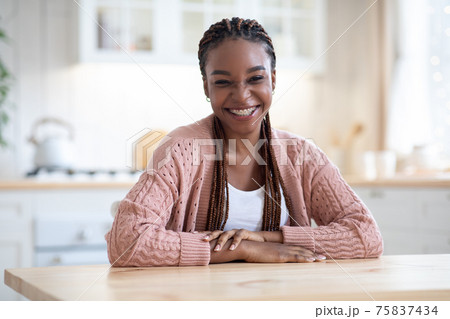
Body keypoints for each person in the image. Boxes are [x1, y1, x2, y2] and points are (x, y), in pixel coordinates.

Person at [105, 17, 383, 267]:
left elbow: (366, 236)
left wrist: (267, 240)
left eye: (255, 78)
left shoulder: (300, 153)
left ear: (272, 80)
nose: (241, 95)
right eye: (224, 82)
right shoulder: (180, 149)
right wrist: (245, 250)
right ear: (206, 87)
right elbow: (126, 241)